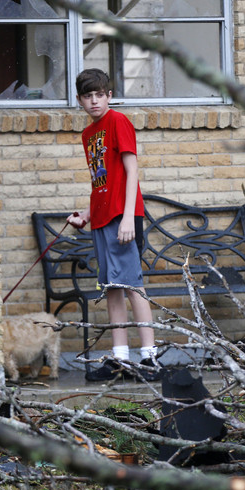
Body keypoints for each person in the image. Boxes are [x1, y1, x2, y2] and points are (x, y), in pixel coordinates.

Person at [67, 69, 161, 382]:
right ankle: (121, 360)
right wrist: (87, 215)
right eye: (87, 96)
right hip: (104, 218)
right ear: (80, 100)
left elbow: (131, 173)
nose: (93, 101)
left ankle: (149, 359)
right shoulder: (88, 134)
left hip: (124, 219)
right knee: (112, 287)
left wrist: (127, 218)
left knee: (133, 284)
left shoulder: (118, 122)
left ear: (109, 95)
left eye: (99, 95)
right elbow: (102, 183)